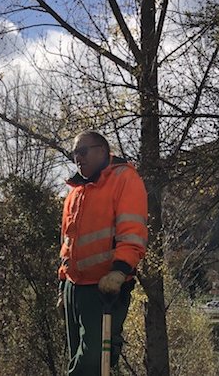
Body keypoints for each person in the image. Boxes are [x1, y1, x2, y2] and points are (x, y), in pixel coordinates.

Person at [56, 131, 148, 375]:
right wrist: (62, 286)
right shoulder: (76, 192)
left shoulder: (124, 179)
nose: (78, 158)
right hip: (74, 289)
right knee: (78, 357)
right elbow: (67, 245)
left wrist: (119, 272)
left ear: (102, 150)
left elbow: (133, 232)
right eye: (75, 153)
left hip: (105, 287)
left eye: (83, 151)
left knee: (91, 363)